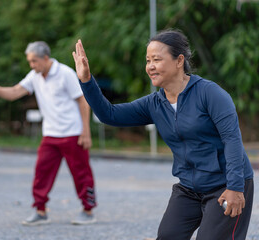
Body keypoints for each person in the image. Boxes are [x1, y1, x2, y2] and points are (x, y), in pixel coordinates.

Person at [72, 30, 254, 240]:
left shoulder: (210, 94)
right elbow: (109, 115)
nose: (150, 66)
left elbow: (232, 139)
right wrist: (86, 80)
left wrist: (235, 188)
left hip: (224, 185)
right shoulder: (154, 104)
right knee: (168, 235)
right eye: (148, 60)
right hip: (189, 188)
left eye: (157, 60)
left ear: (179, 61)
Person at [0, 41, 97, 226]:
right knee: (41, 172)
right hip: (50, 134)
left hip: (73, 132)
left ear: (45, 58)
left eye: (34, 61)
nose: (31, 65)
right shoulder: (35, 76)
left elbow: (83, 100)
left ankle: (87, 210)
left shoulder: (65, 73)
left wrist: (85, 131)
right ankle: (40, 211)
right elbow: (15, 92)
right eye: (29, 61)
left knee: (81, 173)